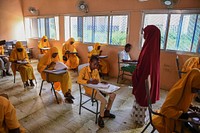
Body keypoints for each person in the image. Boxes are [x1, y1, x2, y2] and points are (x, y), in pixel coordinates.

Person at [152, 68, 200, 133]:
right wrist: (184, 115)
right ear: (191, 83)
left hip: (177, 118)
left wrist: (191, 107)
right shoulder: (177, 91)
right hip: (169, 120)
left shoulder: (188, 90)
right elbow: (165, 109)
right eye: (195, 89)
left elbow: (183, 102)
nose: (195, 92)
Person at [132, 25, 160, 125]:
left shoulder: (149, 49)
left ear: (150, 34)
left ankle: (139, 119)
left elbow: (144, 66)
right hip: (147, 77)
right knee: (143, 98)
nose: (143, 35)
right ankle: (139, 116)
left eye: (145, 33)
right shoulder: (153, 46)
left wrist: (136, 73)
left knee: (142, 97)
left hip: (144, 78)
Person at [77, 56, 116, 128]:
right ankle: (101, 117)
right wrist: (89, 81)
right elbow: (79, 80)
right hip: (90, 90)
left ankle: (107, 111)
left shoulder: (95, 70)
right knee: (104, 101)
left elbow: (98, 80)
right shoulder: (84, 70)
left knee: (113, 94)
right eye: (94, 64)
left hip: (97, 88)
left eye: (97, 64)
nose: (96, 66)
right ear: (90, 63)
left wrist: (101, 82)